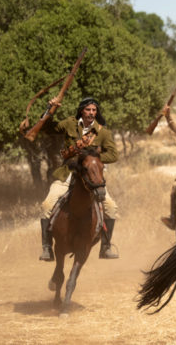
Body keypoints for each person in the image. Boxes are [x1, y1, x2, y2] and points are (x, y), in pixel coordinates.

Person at [37, 97, 120, 261]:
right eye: (88, 110)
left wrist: (92, 160)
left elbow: (113, 155)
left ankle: (105, 247)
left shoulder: (102, 132)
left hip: (91, 177)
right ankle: (47, 248)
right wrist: (50, 109)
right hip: (68, 173)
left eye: (94, 110)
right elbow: (48, 128)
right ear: (82, 110)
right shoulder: (70, 123)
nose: (91, 113)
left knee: (111, 207)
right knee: (46, 205)